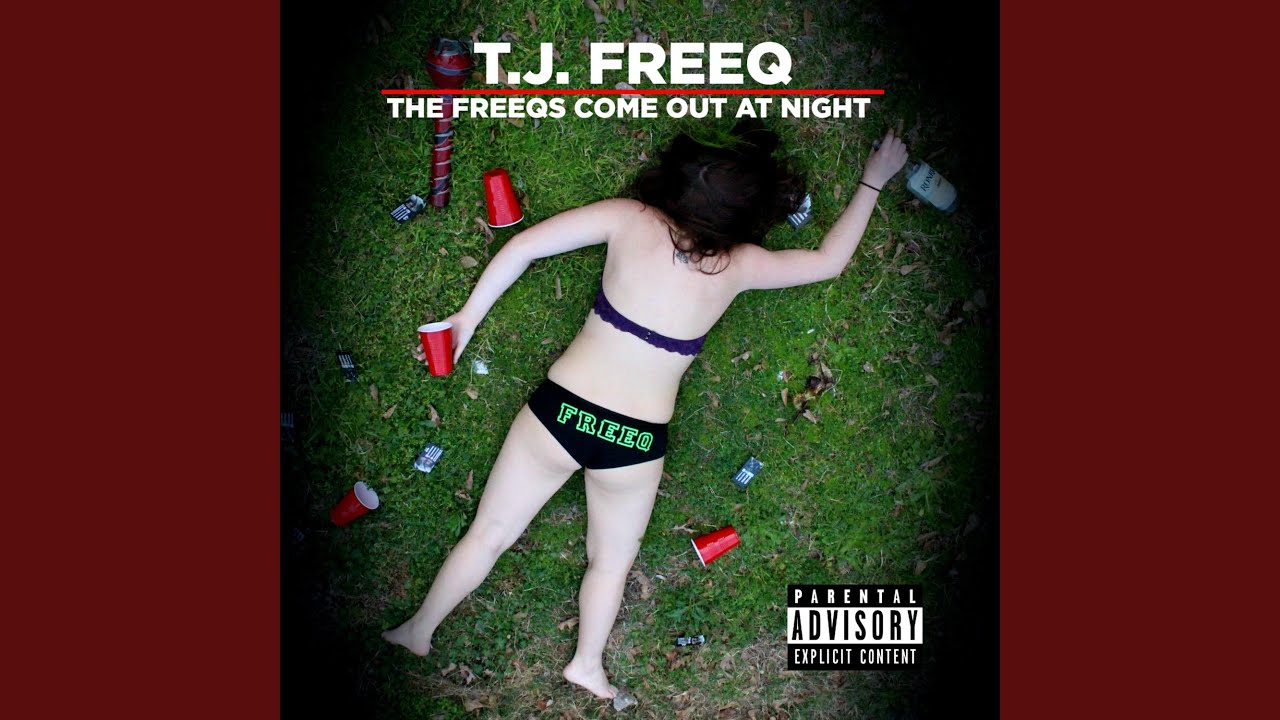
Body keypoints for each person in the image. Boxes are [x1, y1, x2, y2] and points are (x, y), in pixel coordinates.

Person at [383, 122, 909, 699]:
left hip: (562, 413)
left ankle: (419, 629)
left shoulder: (630, 218)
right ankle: (586, 663)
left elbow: (525, 246)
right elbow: (829, 261)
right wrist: (873, 181)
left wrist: (465, 318)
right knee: (609, 563)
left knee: (488, 534)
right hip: (633, 441)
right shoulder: (740, 265)